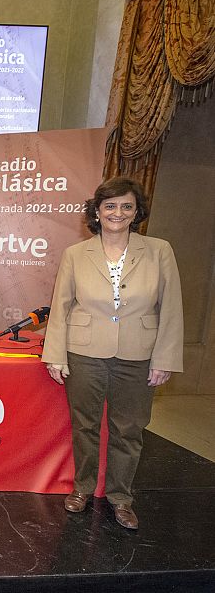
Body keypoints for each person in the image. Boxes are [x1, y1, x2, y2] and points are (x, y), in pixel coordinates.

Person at [43, 177, 183, 530]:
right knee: (85, 425)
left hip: (139, 353)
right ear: (97, 211)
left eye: (125, 206)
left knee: (129, 429)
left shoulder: (159, 250)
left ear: (137, 212)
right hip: (85, 352)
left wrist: (165, 358)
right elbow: (60, 306)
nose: (117, 213)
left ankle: (121, 497)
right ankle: (83, 488)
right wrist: (55, 354)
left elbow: (172, 308)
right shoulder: (76, 254)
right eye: (109, 206)